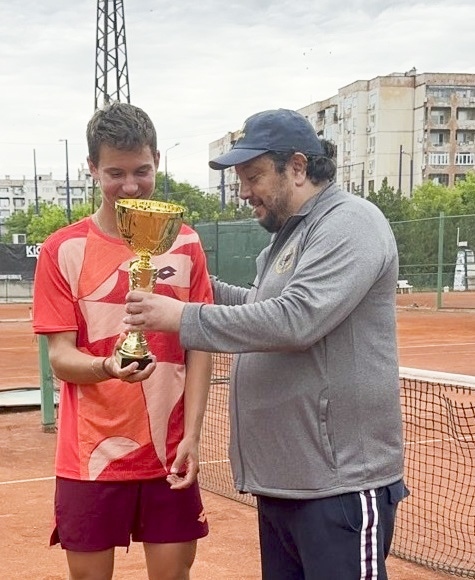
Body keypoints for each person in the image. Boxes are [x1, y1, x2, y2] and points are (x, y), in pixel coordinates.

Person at [122, 108, 409, 580]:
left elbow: (296, 319)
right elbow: (258, 304)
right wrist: (194, 283)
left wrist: (183, 316)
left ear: (297, 167)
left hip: (338, 487)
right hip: (285, 485)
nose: (244, 192)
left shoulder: (351, 222)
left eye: (253, 176)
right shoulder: (288, 237)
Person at [32, 102, 212, 580]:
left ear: (157, 162)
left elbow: (199, 348)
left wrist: (192, 434)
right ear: (91, 169)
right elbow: (60, 359)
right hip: (89, 458)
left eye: (142, 171)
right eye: (115, 172)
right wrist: (108, 367)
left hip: (167, 453)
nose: (130, 186)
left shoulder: (186, 243)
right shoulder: (61, 250)